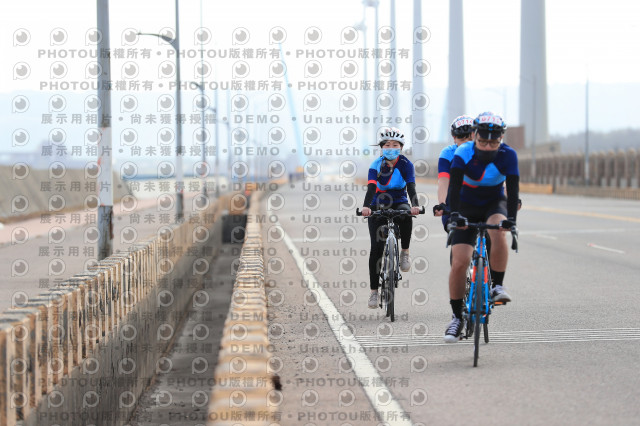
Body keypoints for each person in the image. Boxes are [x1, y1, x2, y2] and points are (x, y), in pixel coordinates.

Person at [443, 112, 519, 342]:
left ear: (501, 139)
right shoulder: (463, 152)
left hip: (493, 203)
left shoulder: (508, 155)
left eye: (493, 143)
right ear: (475, 135)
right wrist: (454, 215)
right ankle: (456, 317)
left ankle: (498, 286)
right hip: (465, 205)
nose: (487, 147)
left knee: (498, 230)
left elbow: (513, 189)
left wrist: (511, 219)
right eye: (483, 141)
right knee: (460, 262)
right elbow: (454, 188)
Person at [361, 127, 421, 309]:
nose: (391, 148)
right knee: (376, 249)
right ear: (381, 147)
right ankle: (374, 292)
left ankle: (405, 252)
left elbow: (411, 187)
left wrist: (415, 205)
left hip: (399, 201)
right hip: (378, 203)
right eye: (387, 145)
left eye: (395, 145)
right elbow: (371, 188)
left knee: (406, 214)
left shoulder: (406, 164)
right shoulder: (376, 165)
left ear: (401, 147)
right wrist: (366, 206)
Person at [433, 115, 475, 227]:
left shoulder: (484, 151)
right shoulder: (448, 153)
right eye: (462, 139)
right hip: (455, 202)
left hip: (479, 200)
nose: (466, 143)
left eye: (470, 139)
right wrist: (442, 203)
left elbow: (497, 179)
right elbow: (443, 181)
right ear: (454, 138)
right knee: (456, 229)